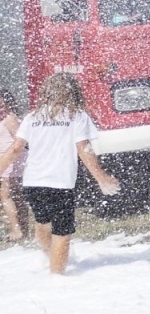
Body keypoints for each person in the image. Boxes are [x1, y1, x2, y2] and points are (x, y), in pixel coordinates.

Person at [0, 74, 121, 274]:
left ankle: (48, 257)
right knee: (62, 233)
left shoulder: (33, 117)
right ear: (73, 92)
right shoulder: (77, 116)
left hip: (33, 183)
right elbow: (84, 149)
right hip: (60, 183)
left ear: (46, 92)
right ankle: (57, 278)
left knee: (43, 222)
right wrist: (102, 179)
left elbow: (15, 149)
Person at [1, 90, 26, 242]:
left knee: (6, 195)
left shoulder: (10, 119)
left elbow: (21, 141)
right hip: (6, 160)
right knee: (14, 196)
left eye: (2, 105)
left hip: (10, 161)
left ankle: (17, 230)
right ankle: (20, 228)